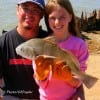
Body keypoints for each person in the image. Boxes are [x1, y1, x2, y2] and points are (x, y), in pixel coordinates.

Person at [33, 0, 89, 99]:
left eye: (62, 17)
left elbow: (78, 82)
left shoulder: (80, 45)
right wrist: (41, 74)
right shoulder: (41, 45)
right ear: (47, 19)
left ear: (70, 17)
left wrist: (68, 78)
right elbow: (40, 83)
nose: (57, 22)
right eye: (52, 18)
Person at [0, 0, 50, 99]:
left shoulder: (49, 42)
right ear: (17, 10)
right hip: (12, 96)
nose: (29, 14)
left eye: (35, 10)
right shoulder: (3, 42)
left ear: (42, 15)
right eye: (25, 8)